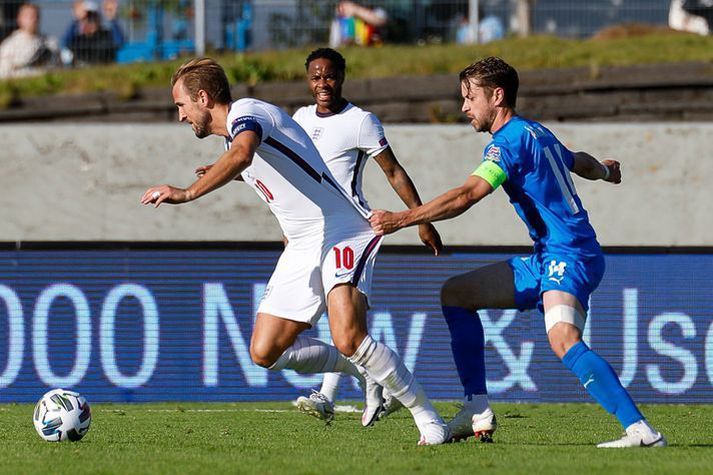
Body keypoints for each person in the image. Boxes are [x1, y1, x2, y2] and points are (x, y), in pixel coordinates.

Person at [141, 57, 450, 445]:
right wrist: (230, 170)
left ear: (202, 97)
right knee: (264, 350)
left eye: (181, 105)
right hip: (303, 242)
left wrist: (186, 193)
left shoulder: (247, 114)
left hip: (341, 229)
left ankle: (427, 418)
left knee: (349, 337)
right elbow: (254, 162)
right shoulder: (231, 139)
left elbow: (244, 154)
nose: (181, 115)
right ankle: (363, 373)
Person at [369, 56, 667, 448]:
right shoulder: (536, 132)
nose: (464, 107)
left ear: (497, 95)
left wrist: (401, 219)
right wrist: (609, 172)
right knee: (457, 295)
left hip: (569, 254)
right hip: (550, 256)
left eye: (470, 97)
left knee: (563, 338)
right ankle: (477, 407)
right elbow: (580, 163)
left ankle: (640, 431)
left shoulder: (507, 144)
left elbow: (467, 195)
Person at [290, 47, 442, 424]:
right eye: (315, 77)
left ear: (342, 76)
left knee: (340, 311)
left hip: (353, 229)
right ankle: (370, 383)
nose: (322, 84)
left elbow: (393, 172)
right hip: (312, 229)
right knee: (342, 317)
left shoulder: (361, 121)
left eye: (329, 76)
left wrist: (418, 219)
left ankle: (339, 394)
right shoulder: (300, 118)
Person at [0, 3, 58, 79]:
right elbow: (3, 74)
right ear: (20, 19)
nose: (34, 19)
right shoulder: (8, 46)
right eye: (30, 17)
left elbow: (59, 70)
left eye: (37, 16)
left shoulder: (51, 42)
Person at [62, 0, 124, 65]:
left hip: (104, 68)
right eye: (86, 17)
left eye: (93, 16)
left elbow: (119, 43)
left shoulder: (107, 35)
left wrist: (112, 19)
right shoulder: (78, 39)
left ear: (98, 18)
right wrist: (76, 20)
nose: (89, 20)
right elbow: (64, 44)